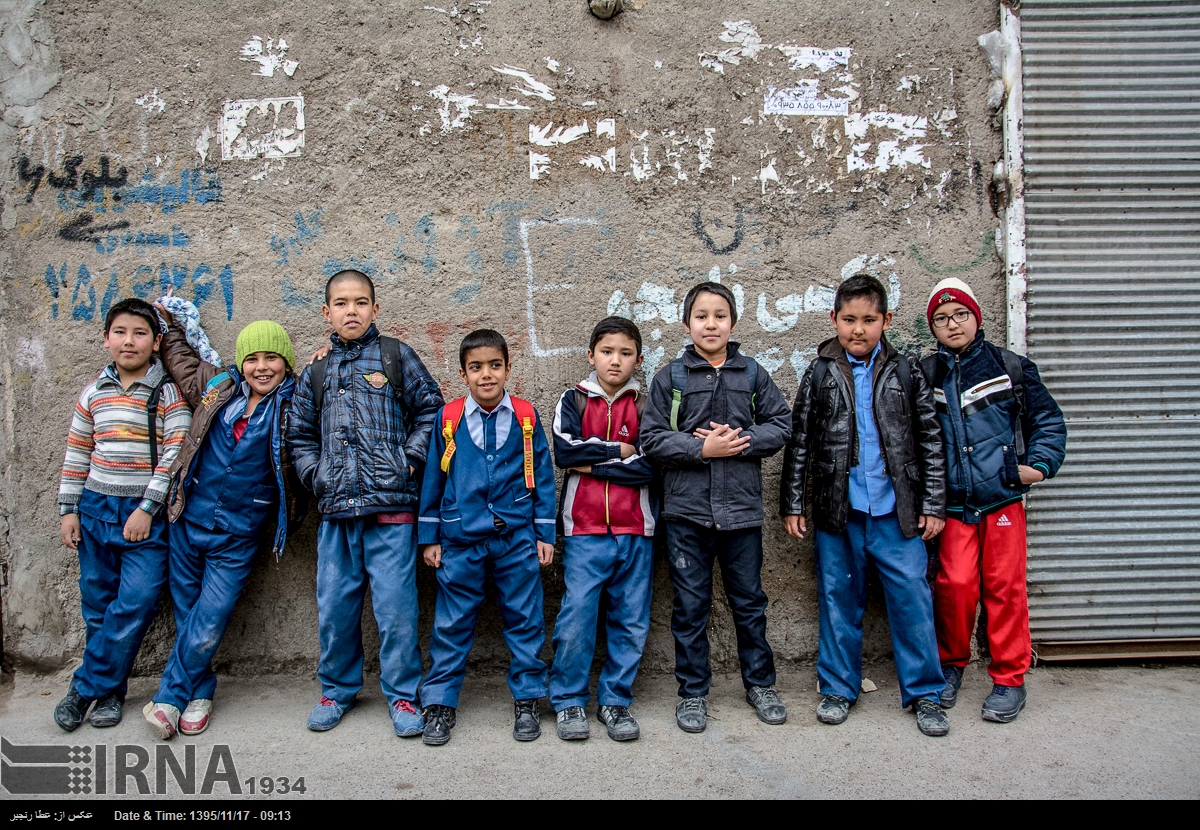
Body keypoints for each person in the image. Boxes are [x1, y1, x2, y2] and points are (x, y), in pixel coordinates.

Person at [780, 274, 951, 737]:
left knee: (912, 598)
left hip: (898, 513)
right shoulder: (820, 373)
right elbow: (800, 442)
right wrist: (793, 502)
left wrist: (933, 503)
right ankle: (837, 687)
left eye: (869, 320)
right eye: (849, 320)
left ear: (886, 321)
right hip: (840, 512)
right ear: (833, 319)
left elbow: (930, 440)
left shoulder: (905, 371)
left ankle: (926, 693)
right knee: (838, 598)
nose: (858, 329)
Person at [286, 270, 444, 737]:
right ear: (326, 312)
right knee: (335, 608)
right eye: (341, 303)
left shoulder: (396, 356)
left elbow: (431, 410)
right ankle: (337, 689)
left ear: (375, 309)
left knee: (396, 611)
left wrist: (408, 461)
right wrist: (316, 475)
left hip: (391, 511)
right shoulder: (316, 371)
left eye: (360, 302)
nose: (350, 311)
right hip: (336, 512)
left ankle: (402, 695)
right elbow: (299, 434)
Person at [141, 300, 306, 739]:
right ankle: (201, 692)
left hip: (237, 534)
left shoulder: (295, 406)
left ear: (287, 364)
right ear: (240, 363)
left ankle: (170, 698)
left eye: (272, 357)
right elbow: (179, 361)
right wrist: (167, 323)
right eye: (252, 358)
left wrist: (327, 358)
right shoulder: (217, 388)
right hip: (186, 521)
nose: (262, 367)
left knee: (210, 618)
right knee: (187, 615)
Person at [641, 281, 792, 734]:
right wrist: (700, 450)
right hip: (687, 514)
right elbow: (650, 439)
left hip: (742, 513)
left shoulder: (752, 374)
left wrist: (737, 442)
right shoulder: (672, 378)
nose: (711, 324)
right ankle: (692, 693)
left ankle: (760, 684)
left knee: (749, 602)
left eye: (720, 315)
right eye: (702, 316)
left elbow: (781, 424)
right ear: (687, 324)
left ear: (733, 322)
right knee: (691, 605)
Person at [922, 277, 1066, 723]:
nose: (953, 324)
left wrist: (1036, 467)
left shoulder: (1010, 368)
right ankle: (951, 665)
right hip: (954, 507)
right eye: (942, 319)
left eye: (960, 314)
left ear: (976, 316)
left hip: (1002, 501)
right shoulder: (925, 374)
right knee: (955, 587)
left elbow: (1049, 422)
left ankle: (1009, 679)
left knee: (1004, 588)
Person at [54, 298, 191, 731]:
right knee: (97, 605)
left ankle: (83, 688)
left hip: (142, 517)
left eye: (139, 333)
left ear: (155, 343)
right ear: (106, 338)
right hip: (95, 509)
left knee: (136, 601)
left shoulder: (166, 393)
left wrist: (147, 509)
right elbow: (78, 453)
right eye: (120, 332)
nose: (128, 341)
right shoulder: (94, 393)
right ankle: (112, 691)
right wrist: (69, 510)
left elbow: (174, 455)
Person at [417, 329, 556, 746]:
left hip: (516, 537)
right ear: (463, 373)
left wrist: (543, 533)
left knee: (525, 618)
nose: (486, 375)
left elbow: (544, 479)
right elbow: (432, 481)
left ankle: (529, 698)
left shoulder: (526, 418)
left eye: (495, 365)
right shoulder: (449, 419)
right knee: (452, 621)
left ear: (508, 368)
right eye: (476, 368)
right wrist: (430, 538)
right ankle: (440, 702)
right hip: (460, 538)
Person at [549, 316, 656, 742]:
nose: (615, 361)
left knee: (630, 619)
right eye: (607, 352)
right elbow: (563, 451)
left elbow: (650, 465)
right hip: (584, 530)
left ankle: (615, 700)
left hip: (636, 529)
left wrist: (592, 464)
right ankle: (569, 700)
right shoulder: (572, 402)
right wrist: (619, 451)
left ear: (638, 359)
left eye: (625, 353)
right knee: (577, 616)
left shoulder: (647, 405)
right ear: (591, 355)